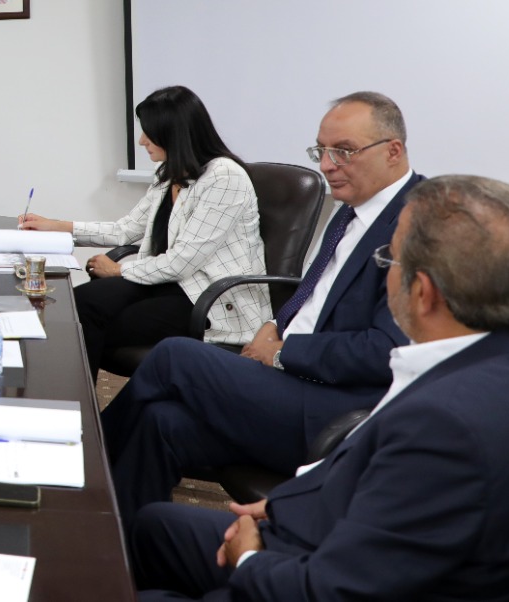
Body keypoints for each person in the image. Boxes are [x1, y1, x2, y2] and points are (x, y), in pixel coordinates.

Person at [132, 175, 509, 601]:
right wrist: (285, 507)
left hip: (323, 575)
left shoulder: (443, 427)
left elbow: (329, 591)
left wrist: (248, 559)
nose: (384, 270)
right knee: (155, 524)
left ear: (423, 292)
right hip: (354, 532)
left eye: (388, 259)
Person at [100, 92, 422, 531]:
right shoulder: (352, 212)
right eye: (321, 151)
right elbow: (314, 293)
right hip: (290, 381)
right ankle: (118, 542)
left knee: (176, 355)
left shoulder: (419, 226)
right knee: (160, 421)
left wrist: (283, 352)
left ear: (393, 151)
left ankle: (84, 455)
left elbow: (385, 351)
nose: (328, 165)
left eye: (344, 151)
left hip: (335, 409)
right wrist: (272, 324)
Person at [19, 86, 267, 373]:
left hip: (208, 298)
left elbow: (182, 261)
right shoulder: (171, 174)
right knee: (81, 302)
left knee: (89, 321)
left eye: (149, 133)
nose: (141, 141)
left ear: (174, 133)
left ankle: (77, 397)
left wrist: (118, 270)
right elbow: (124, 230)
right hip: (166, 284)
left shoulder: (225, 177)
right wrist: (55, 227)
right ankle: (74, 392)